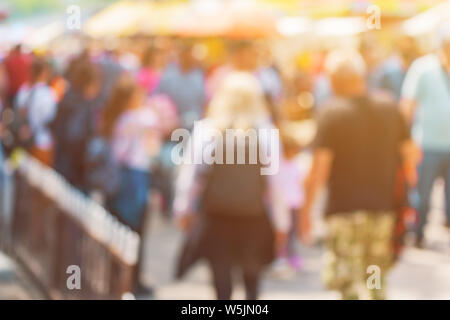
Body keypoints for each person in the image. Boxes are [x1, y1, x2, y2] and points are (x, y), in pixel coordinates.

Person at [300, 50, 415, 300]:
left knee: (347, 280)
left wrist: (305, 212)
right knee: (375, 278)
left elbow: (319, 169)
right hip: (383, 209)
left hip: (344, 211)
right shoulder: (388, 107)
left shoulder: (331, 113)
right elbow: (411, 155)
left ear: (333, 80)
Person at [174, 72, 290, 300]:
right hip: (253, 216)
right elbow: (277, 185)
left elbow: (190, 176)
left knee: (221, 279)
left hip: (216, 216)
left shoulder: (207, 130)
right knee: (252, 276)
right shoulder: (266, 133)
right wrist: (282, 222)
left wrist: (183, 209)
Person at [102, 74, 161, 297]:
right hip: (132, 179)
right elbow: (154, 121)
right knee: (134, 232)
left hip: (124, 178)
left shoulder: (118, 118)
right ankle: (130, 281)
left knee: (124, 231)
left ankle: (124, 279)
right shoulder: (134, 119)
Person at [401, 29, 450, 247]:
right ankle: (418, 232)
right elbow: (408, 105)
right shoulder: (422, 68)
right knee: (422, 192)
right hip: (426, 145)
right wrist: (404, 139)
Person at [52, 61, 100, 190]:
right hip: (75, 168)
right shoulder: (83, 105)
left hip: (61, 161)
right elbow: (74, 135)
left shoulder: (67, 98)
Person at [15, 58, 57, 165]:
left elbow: (19, 112)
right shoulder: (48, 93)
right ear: (44, 72)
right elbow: (51, 117)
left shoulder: (23, 90)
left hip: (23, 142)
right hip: (42, 142)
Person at [156, 41, 205, 130]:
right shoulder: (168, 76)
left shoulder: (198, 76)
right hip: (171, 128)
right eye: (186, 56)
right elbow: (158, 99)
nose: (189, 59)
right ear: (180, 57)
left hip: (194, 125)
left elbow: (203, 100)